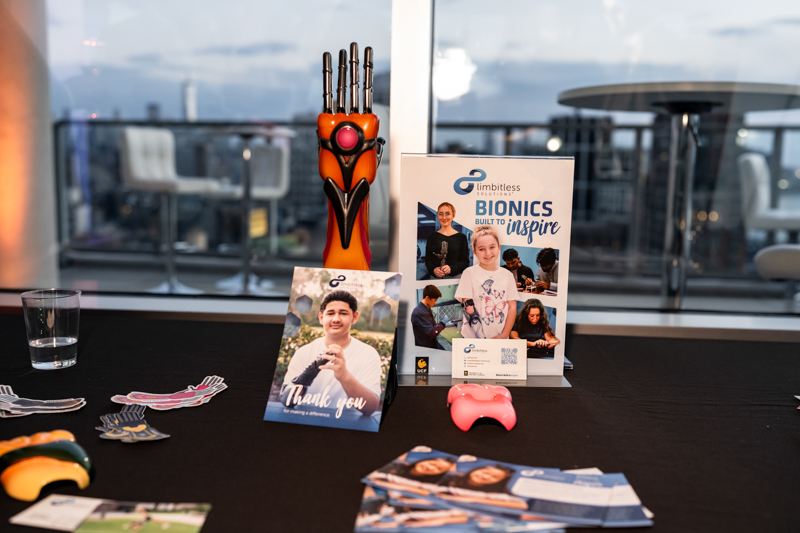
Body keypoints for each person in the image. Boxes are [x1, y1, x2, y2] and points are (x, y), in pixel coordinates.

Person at [281, 290, 381, 415]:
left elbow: (370, 408)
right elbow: (286, 401)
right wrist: (308, 374)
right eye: (330, 313)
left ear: (354, 317)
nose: (336, 319)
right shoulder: (303, 352)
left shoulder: (369, 354)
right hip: (305, 421)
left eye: (343, 313)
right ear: (321, 318)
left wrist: (344, 376)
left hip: (346, 425)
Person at [455, 226, 517, 339]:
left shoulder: (508, 275)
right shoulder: (468, 273)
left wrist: (504, 335)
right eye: (481, 249)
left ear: (499, 247)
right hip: (474, 338)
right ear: (474, 251)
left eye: (492, 247)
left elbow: (512, 307)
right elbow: (468, 308)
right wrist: (481, 340)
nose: (488, 253)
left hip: (500, 338)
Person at [424, 202, 470, 279]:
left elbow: (465, 262)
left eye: (447, 213)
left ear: (453, 215)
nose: (444, 217)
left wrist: (452, 269)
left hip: (454, 279)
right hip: (435, 278)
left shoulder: (461, 237)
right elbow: (428, 260)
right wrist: (433, 270)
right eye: (441, 214)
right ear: (437, 216)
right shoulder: (432, 237)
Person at [410, 285, 456, 349]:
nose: (435, 303)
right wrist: (442, 322)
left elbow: (431, 327)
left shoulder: (426, 310)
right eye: (434, 300)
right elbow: (431, 333)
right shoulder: (419, 312)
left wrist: (446, 325)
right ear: (427, 298)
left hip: (432, 343)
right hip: (426, 348)